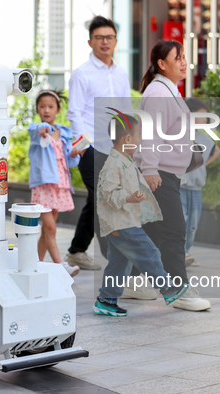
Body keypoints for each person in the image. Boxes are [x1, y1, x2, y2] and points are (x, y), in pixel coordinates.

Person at [131, 40, 211, 311]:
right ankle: (179, 290)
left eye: (184, 57)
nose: (183, 62)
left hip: (167, 172)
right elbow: (151, 134)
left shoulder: (167, 90)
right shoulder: (158, 93)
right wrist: (150, 170)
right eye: (177, 58)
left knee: (153, 231)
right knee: (175, 231)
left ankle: (132, 282)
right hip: (160, 173)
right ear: (162, 64)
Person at [94, 115, 188, 316]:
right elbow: (108, 192)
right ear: (127, 139)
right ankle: (168, 288)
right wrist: (129, 198)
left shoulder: (125, 161)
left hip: (124, 221)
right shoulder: (114, 164)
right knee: (149, 252)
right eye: (138, 136)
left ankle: (106, 299)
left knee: (119, 263)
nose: (140, 141)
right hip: (120, 223)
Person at [65, 16, 132, 271]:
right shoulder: (82, 74)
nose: (105, 42)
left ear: (116, 41)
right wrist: (82, 148)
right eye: (100, 37)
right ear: (90, 41)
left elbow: (126, 109)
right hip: (91, 148)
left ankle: (77, 250)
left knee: (96, 200)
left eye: (110, 37)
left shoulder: (121, 72)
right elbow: (74, 112)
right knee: (104, 199)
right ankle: (116, 261)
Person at [28, 90, 81, 277]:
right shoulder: (36, 129)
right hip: (43, 185)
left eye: (50, 106)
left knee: (46, 230)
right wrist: (41, 131)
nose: (46, 110)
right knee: (51, 227)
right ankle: (61, 264)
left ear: (58, 109)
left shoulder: (64, 132)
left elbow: (69, 160)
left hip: (60, 184)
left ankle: (34, 264)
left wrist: (75, 154)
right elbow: (36, 133)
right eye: (42, 106)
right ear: (37, 109)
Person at [181, 98, 220, 267]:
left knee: (193, 224)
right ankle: (181, 252)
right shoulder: (180, 133)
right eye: (202, 115)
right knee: (181, 220)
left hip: (197, 188)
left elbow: (217, 151)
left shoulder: (205, 138)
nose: (205, 120)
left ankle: (187, 251)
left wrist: (203, 164)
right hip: (181, 186)